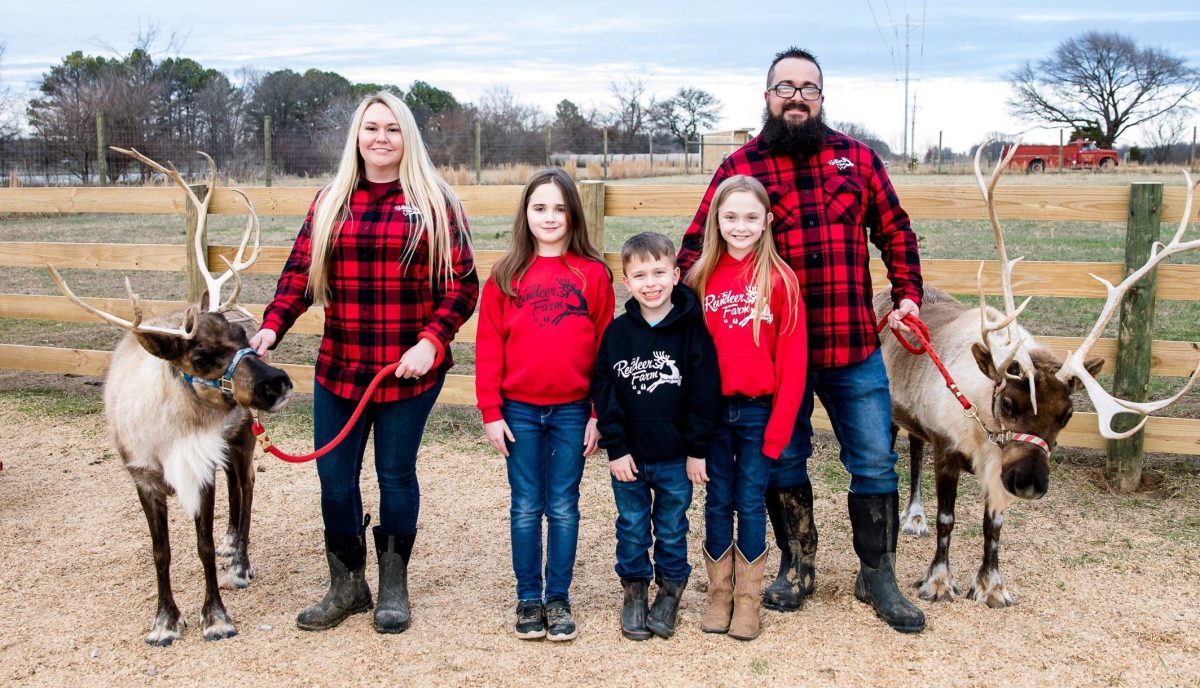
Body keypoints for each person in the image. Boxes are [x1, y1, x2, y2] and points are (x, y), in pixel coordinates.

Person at [677, 47, 926, 634]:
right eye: (783, 86)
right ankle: (797, 564)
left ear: (821, 97)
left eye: (807, 87)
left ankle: (879, 574)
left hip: (851, 344)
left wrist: (907, 293)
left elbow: (896, 230)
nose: (796, 95)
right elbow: (697, 249)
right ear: (766, 97)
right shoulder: (741, 168)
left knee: (873, 458)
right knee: (783, 458)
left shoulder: (857, 159)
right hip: (770, 358)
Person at [250, 92, 478, 634]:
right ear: (357, 136)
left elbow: (462, 286)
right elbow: (299, 276)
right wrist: (271, 326)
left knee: (395, 475)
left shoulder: (435, 202)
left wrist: (432, 341)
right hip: (341, 368)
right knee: (334, 479)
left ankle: (394, 585)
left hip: (408, 370)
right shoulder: (330, 201)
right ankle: (348, 584)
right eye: (371, 128)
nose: (381, 138)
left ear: (408, 138)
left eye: (393, 129)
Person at [475, 168, 614, 642]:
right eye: (540, 208)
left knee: (563, 505)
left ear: (573, 213)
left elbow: (604, 350)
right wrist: (491, 412)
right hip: (518, 412)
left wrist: (598, 413)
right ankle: (528, 597)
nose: (549, 217)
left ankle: (558, 597)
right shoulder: (505, 275)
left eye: (559, 208)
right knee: (526, 504)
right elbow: (489, 347)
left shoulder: (592, 274)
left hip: (574, 410)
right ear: (526, 214)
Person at [685, 175, 807, 641]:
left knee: (751, 501)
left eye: (751, 217)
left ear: (767, 222)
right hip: (711, 414)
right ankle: (719, 594)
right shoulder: (699, 278)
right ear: (716, 219)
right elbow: (687, 359)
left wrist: (779, 432)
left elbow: (793, 364)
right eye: (731, 216)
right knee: (717, 501)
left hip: (759, 414)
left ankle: (749, 598)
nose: (740, 226)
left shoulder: (781, 280)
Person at [592, 232, 720, 641]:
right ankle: (634, 589)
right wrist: (615, 448)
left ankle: (670, 589)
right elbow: (605, 393)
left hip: (675, 458)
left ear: (677, 274)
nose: (651, 282)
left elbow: (705, 394)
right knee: (631, 525)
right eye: (640, 274)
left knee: (670, 526)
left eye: (659, 272)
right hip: (629, 457)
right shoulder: (617, 335)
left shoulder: (692, 331)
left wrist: (697, 450)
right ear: (626, 282)